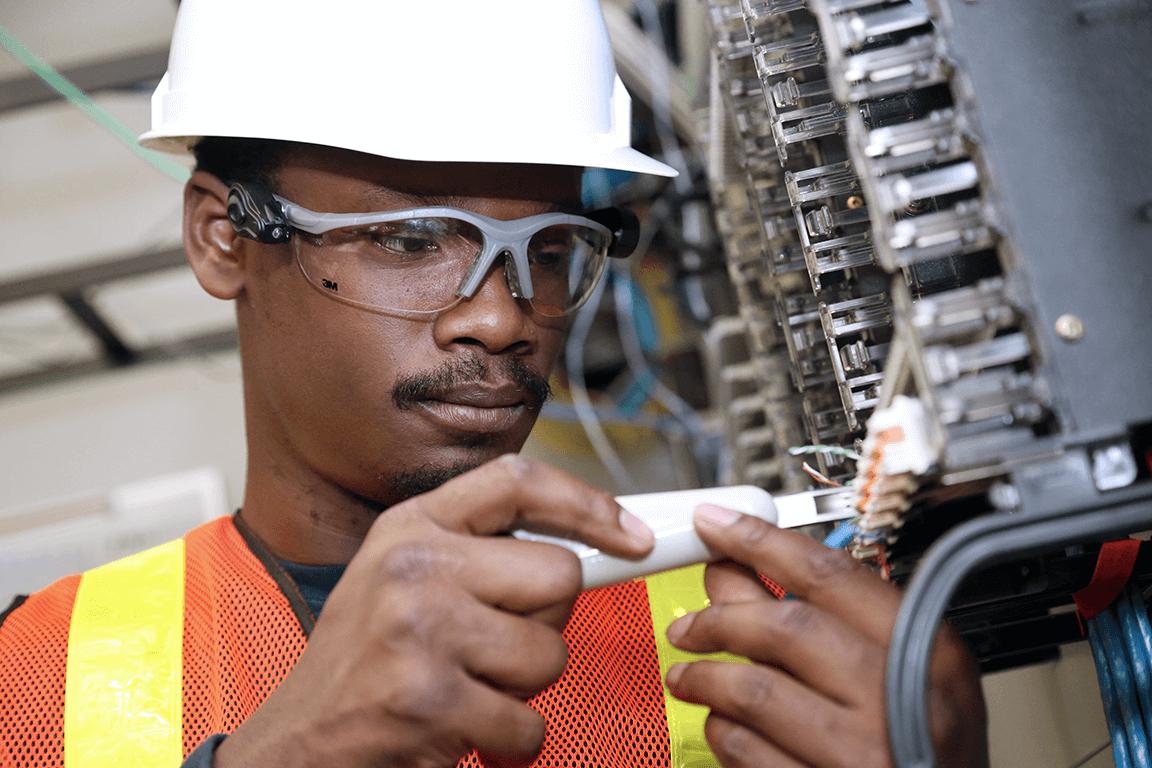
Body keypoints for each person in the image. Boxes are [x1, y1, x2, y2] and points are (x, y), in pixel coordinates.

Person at [0, 1, 989, 766]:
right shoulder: (33, 684)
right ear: (224, 238)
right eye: (414, 237)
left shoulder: (746, 641)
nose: (504, 317)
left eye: (549, 248)